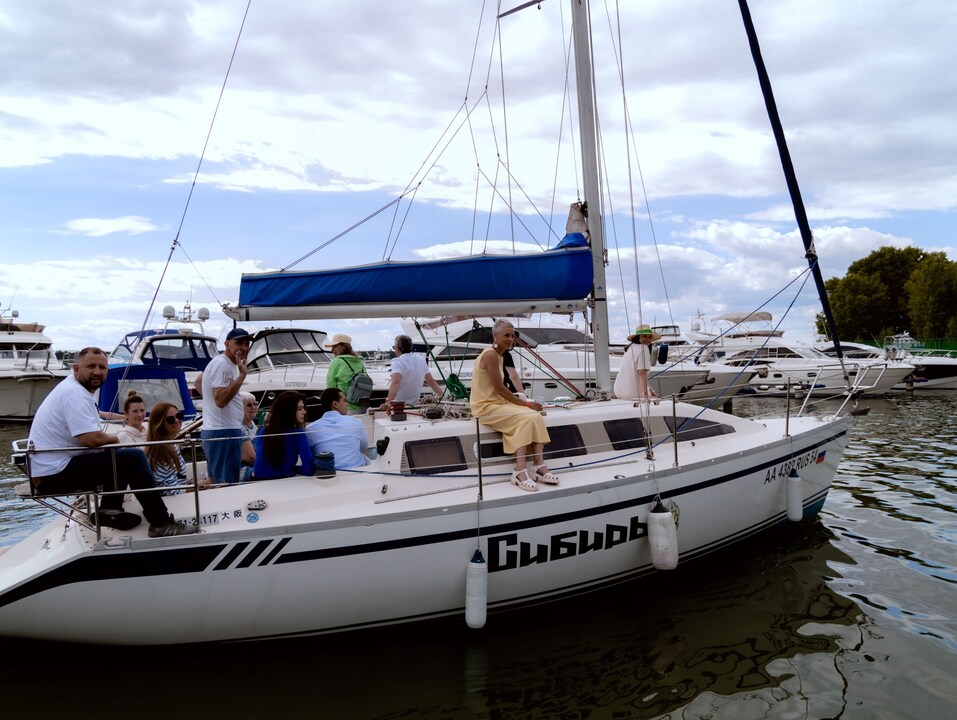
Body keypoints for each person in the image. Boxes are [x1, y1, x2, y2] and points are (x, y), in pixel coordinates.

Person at [26, 347, 196, 536]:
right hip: (53, 473)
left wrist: (112, 445)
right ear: (76, 369)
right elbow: (90, 438)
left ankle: (109, 509)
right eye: (91, 366)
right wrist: (115, 438)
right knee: (133, 458)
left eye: (102, 367)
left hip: (49, 469)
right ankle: (161, 523)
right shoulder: (75, 394)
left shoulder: (75, 390)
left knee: (119, 457)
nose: (97, 371)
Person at [469, 320, 557, 492]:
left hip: (497, 403)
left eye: (513, 335)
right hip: (485, 407)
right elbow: (499, 388)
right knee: (526, 417)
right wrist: (525, 404)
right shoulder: (491, 355)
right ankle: (519, 470)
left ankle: (538, 464)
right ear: (495, 337)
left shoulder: (499, 354)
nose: (511, 339)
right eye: (506, 335)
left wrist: (528, 405)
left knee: (536, 415)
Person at [201, 327, 252, 484]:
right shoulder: (223, 364)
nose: (243, 348)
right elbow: (221, 400)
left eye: (246, 344)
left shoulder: (222, 363)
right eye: (239, 343)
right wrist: (242, 376)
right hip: (224, 432)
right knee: (226, 484)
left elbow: (198, 381)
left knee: (214, 481)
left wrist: (210, 407)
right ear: (227, 343)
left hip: (217, 430)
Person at [252, 390, 314, 480]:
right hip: (281, 483)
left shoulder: (262, 431)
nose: (304, 412)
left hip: (257, 479)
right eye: (299, 409)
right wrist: (294, 469)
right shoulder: (298, 433)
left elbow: (260, 469)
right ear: (288, 411)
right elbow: (309, 470)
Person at [306, 387, 371, 470]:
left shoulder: (311, 429)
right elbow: (363, 448)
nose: (347, 404)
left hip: (328, 475)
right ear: (335, 404)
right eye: (344, 401)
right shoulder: (356, 422)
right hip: (358, 470)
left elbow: (310, 454)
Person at [380, 334, 443, 412]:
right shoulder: (421, 360)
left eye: (394, 347)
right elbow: (431, 382)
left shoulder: (397, 361)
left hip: (399, 407)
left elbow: (395, 382)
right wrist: (442, 397)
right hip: (415, 406)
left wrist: (388, 402)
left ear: (398, 348)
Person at [145, 402, 190, 495]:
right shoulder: (158, 453)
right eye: (170, 419)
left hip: (182, 498)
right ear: (159, 424)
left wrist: (194, 484)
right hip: (172, 503)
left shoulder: (171, 445)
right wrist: (196, 488)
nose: (177, 420)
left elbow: (178, 480)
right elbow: (168, 491)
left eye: (179, 415)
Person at [613, 324, 661, 401]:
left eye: (649, 337)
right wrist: (646, 394)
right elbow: (642, 373)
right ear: (638, 337)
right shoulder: (644, 348)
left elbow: (640, 375)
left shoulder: (629, 348)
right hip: (633, 393)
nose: (647, 339)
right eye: (644, 336)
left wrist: (651, 391)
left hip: (619, 391)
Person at [324, 333, 367, 414]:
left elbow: (330, 388)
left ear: (344, 346)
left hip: (344, 410)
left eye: (335, 346)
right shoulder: (359, 362)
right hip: (362, 408)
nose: (332, 350)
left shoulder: (337, 362)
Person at [239, 391, 258, 482]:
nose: (254, 407)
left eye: (255, 404)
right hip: (242, 469)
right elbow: (251, 458)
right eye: (249, 405)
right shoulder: (239, 428)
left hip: (257, 464)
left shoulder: (252, 423)